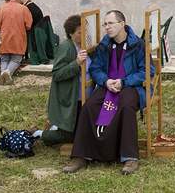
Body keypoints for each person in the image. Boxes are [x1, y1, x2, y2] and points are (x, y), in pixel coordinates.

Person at [63, 10, 151, 175]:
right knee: (89, 106)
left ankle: (129, 157)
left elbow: (146, 71)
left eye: (111, 23)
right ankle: (81, 155)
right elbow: (95, 68)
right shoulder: (105, 45)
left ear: (122, 24)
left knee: (126, 106)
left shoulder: (138, 44)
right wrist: (105, 81)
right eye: (105, 24)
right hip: (108, 85)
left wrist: (124, 82)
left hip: (131, 86)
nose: (107, 27)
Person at [32, 15, 93, 146]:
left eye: (85, 31)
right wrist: (76, 63)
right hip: (71, 100)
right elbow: (57, 74)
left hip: (85, 99)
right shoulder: (66, 47)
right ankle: (40, 134)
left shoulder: (87, 45)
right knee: (69, 135)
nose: (84, 34)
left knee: (85, 132)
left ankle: (58, 127)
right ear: (71, 34)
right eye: (79, 32)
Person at [0, 0, 32, 85]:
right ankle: (7, 73)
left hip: (4, 38)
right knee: (16, 59)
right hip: (19, 38)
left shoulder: (1, 8)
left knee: (4, 59)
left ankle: (2, 75)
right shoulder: (24, 8)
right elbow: (28, 25)